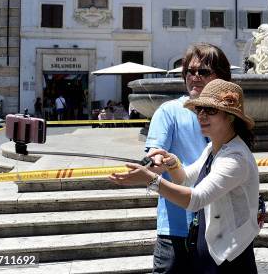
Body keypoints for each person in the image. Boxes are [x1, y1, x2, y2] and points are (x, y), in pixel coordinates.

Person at [110, 79, 259, 273]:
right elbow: (186, 179)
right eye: (199, 110)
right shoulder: (214, 147)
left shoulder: (235, 158)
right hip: (214, 253)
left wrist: (151, 180)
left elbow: (196, 199)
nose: (202, 115)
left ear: (230, 116)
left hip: (231, 260)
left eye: (211, 110)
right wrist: (172, 163)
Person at [130, 44, 232, 273]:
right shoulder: (169, 112)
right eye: (189, 71)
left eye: (203, 71)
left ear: (221, 76)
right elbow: (155, 152)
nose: (194, 77)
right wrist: (152, 164)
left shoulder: (230, 117)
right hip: (177, 228)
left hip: (219, 228)